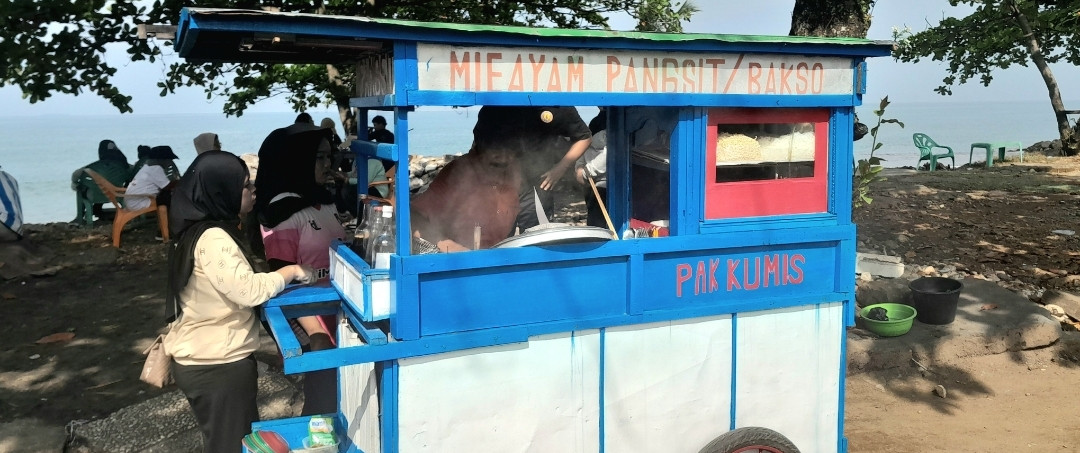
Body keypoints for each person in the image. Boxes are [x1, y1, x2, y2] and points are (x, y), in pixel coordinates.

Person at [163, 150, 315, 453]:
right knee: (232, 445)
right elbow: (247, 290)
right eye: (246, 185)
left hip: (204, 357)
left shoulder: (194, 231)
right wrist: (290, 271)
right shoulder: (214, 238)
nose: (253, 189)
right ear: (222, 189)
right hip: (218, 363)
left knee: (224, 440)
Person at [254, 122, 346, 415]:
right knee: (323, 395)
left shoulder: (320, 199)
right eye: (319, 157)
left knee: (341, 389)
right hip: (309, 316)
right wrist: (315, 332)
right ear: (296, 160)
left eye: (329, 156)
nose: (327, 163)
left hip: (334, 305)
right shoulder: (282, 212)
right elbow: (284, 279)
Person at [472, 106, 592, 232]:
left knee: (538, 242)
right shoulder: (494, 108)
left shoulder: (554, 105)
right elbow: (479, 147)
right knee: (497, 242)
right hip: (499, 187)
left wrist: (560, 169)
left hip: (538, 186)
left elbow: (584, 137)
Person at [410, 134, 522, 252]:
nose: (504, 157)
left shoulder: (517, 172)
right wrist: (455, 249)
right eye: (495, 163)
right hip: (457, 262)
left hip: (495, 259)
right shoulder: (457, 174)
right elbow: (415, 218)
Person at [71, 139, 132, 222]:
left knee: (82, 188)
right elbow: (133, 173)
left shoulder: (93, 167)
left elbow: (75, 175)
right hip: (117, 194)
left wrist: (75, 184)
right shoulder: (124, 165)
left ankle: (80, 216)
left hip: (94, 195)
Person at [576, 109, 608, 229]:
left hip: (605, 186)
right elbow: (585, 145)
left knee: (600, 227)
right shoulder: (595, 121)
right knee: (594, 223)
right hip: (590, 183)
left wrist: (586, 172)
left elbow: (611, 152)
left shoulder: (615, 120)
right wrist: (579, 166)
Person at [124, 145, 180, 212]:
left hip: (132, 201)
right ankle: (172, 220)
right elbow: (167, 186)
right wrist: (181, 181)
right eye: (169, 159)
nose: (170, 161)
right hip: (139, 203)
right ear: (162, 159)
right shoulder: (156, 168)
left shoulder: (148, 167)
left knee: (166, 195)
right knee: (175, 199)